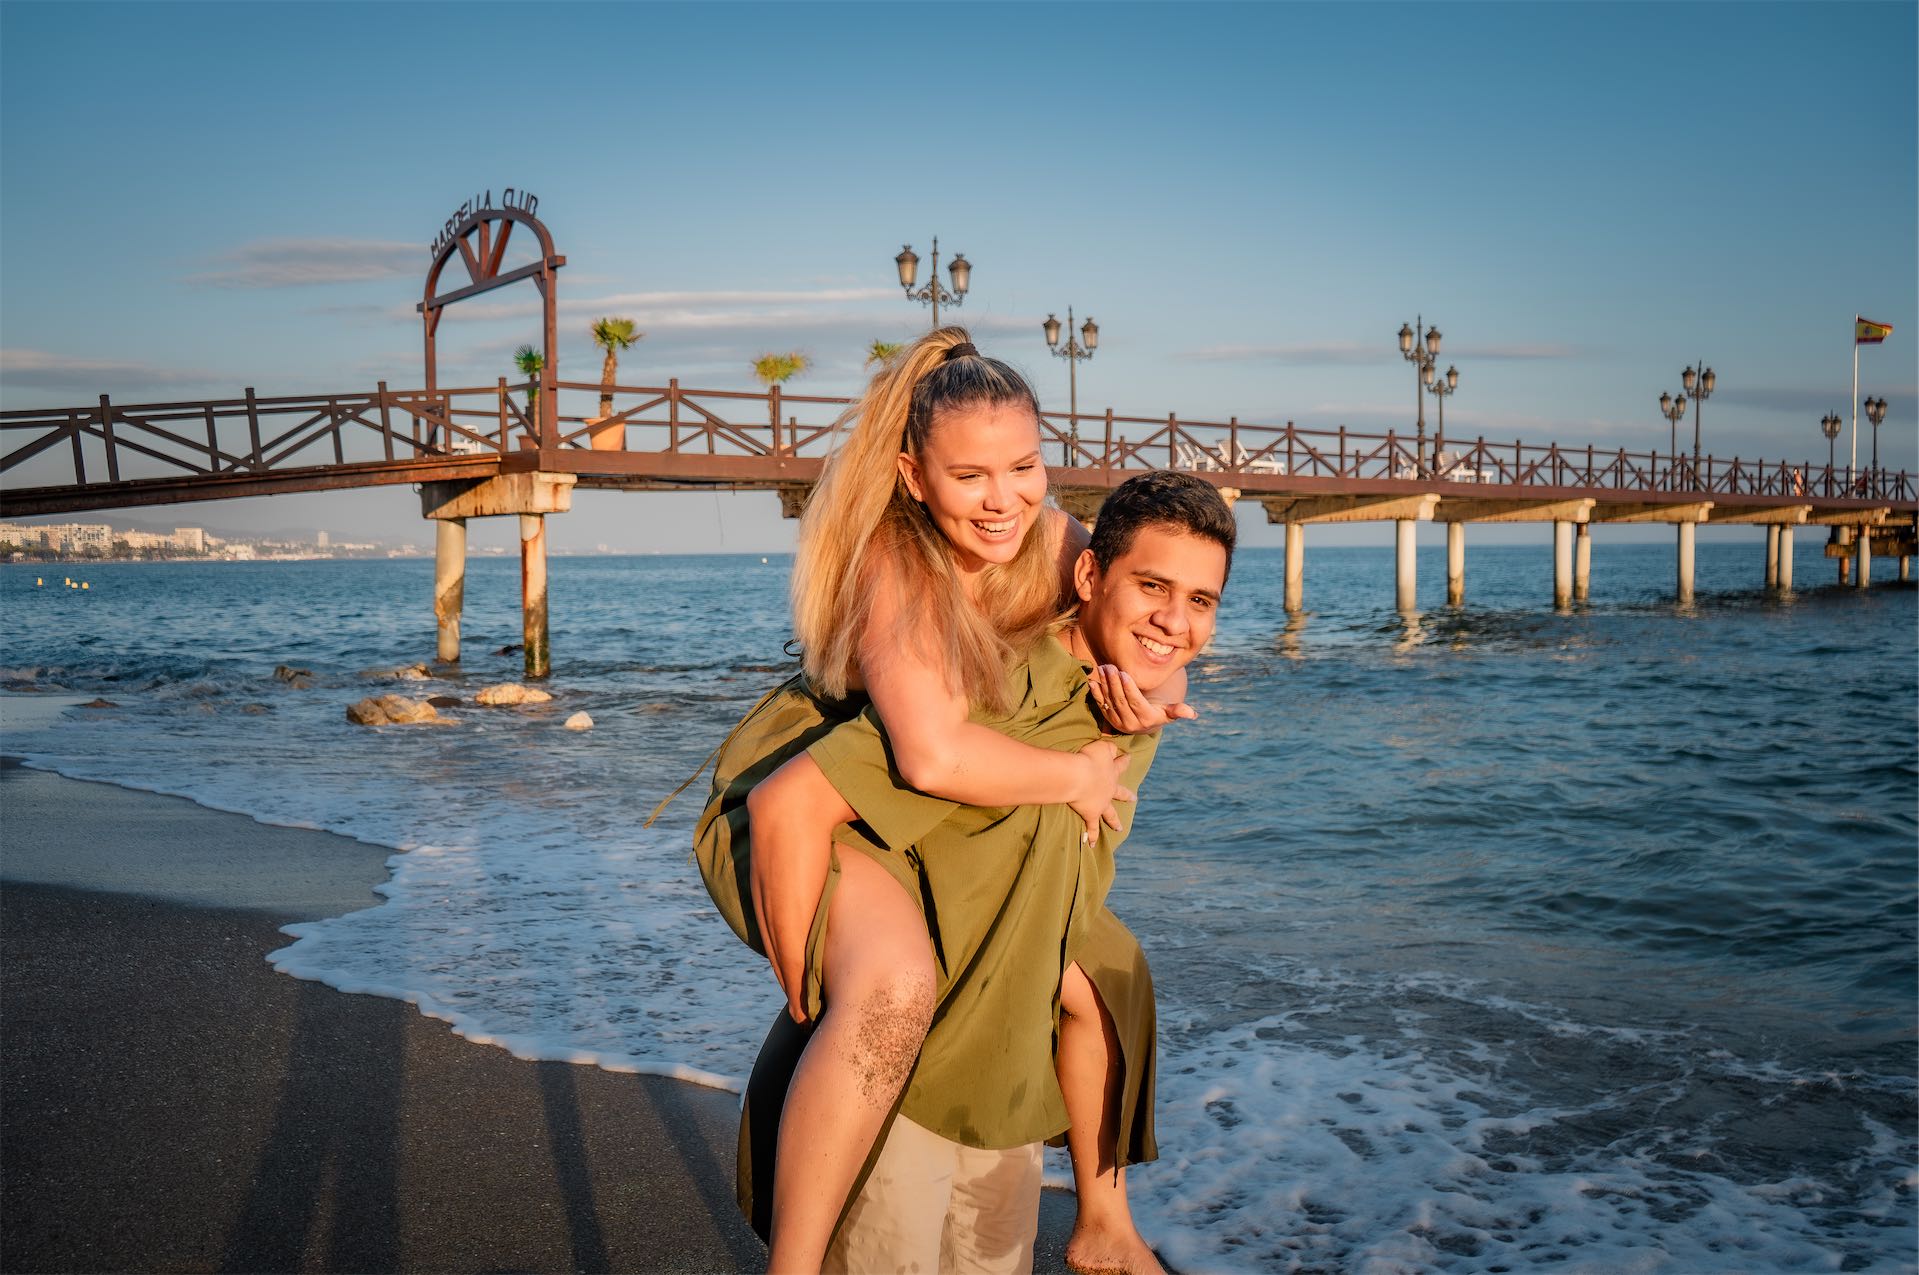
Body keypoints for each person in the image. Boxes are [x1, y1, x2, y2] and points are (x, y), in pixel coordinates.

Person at [693, 327, 1171, 1273]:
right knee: (895, 982)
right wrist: (1077, 776)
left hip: (915, 814)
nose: (1004, 498)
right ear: (914, 477)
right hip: (819, 792)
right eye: (970, 476)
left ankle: (1105, 1224)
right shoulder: (896, 564)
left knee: (1104, 968)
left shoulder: (1051, 535)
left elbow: (1140, 617)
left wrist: (1153, 684)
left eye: (1024, 466)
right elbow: (931, 754)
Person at [739, 471, 1237, 1275]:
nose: (1174, 621)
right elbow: (792, 800)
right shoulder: (976, 686)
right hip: (907, 1083)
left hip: (1006, 1087)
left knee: (1115, 968)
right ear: (1088, 575)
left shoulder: (1133, 700)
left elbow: (1081, 925)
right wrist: (805, 995)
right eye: (1151, 586)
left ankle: (1105, 1219)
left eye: (1200, 600)